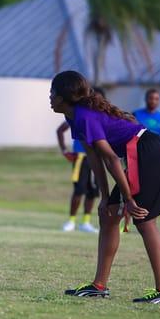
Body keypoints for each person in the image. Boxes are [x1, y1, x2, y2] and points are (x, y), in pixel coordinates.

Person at [50, 71, 160, 304]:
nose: (50, 97)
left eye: (53, 92)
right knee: (109, 216)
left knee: (144, 219)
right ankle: (99, 286)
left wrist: (128, 198)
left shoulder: (84, 116)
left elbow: (110, 158)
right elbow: (94, 159)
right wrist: (105, 197)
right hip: (142, 153)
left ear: (64, 97)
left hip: (148, 152)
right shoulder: (74, 117)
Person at [56, 87, 105, 233]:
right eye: (93, 97)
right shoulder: (79, 115)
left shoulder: (103, 116)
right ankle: (71, 221)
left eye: (99, 97)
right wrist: (65, 151)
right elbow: (60, 130)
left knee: (93, 191)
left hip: (96, 158)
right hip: (81, 158)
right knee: (79, 190)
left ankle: (86, 222)